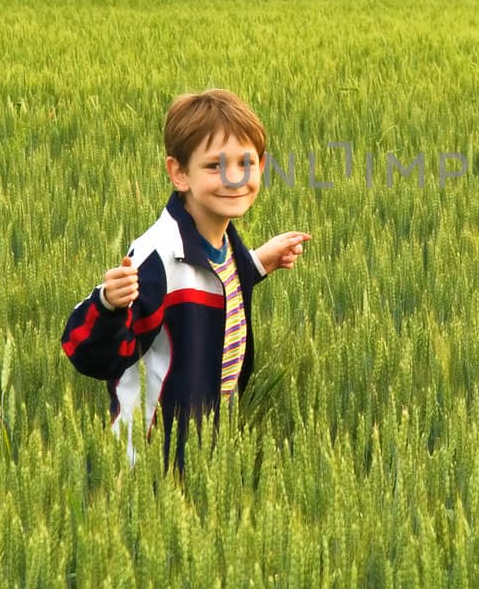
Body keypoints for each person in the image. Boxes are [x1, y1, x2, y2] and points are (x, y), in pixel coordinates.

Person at [61, 88, 309, 471]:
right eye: (214, 166)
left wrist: (258, 263)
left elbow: (217, 287)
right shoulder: (157, 256)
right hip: (155, 452)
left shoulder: (221, 238)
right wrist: (108, 304)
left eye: (245, 163)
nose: (233, 177)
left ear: (261, 167)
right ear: (179, 173)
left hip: (205, 434)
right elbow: (90, 354)